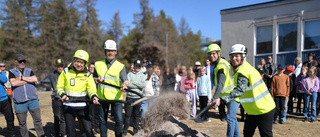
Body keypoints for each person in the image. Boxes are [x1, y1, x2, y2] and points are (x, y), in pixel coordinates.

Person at [213, 44, 275, 137]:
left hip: (264, 109)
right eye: (232, 56)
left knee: (266, 135)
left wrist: (221, 99)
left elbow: (239, 90)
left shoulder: (243, 71)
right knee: (247, 134)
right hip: (253, 110)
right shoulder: (240, 69)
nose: (234, 58)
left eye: (237, 56)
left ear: (243, 56)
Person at [56, 50, 99, 137]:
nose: (79, 64)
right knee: (70, 133)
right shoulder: (65, 72)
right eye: (77, 61)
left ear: (85, 63)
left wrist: (94, 96)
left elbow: (91, 89)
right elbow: (59, 87)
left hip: (82, 106)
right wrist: (63, 95)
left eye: (81, 62)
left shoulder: (88, 74)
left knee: (89, 131)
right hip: (68, 106)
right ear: (74, 60)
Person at [93, 40, 129, 137]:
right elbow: (93, 78)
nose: (110, 52)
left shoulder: (120, 66)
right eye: (108, 50)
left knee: (119, 120)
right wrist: (96, 79)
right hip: (102, 97)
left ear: (115, 52)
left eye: (112, 51)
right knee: (102, 120)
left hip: (116, 97)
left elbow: (125, 79)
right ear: (105, 51)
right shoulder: (98, 64)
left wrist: (125, 85)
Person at [9, 54, 45, 137]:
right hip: (19, 102)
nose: (22, 62)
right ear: (15, 62)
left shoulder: (29, 70)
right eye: (20, 61)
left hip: (33, 100)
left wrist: (21, 78)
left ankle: (41, 135)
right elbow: (13, 83)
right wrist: (28, 80)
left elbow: (35, 79)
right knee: (22, 123)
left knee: (38, 120)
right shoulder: (11, 72)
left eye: (23, 61)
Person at [208, 43, 239, 137]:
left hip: (232, 94)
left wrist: (214, 99)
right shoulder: (218, 65)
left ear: (219, 54)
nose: (211, 55)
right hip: (227, 95)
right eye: (210, 54)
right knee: (233, 118)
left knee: (230, 118)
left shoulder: (221, 66)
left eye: (213, 53)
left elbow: (221, 84)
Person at [40, 58, 66, 137]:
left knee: (64, 118)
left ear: (63, 66)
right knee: (57, 117)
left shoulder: (66, 73)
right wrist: (50, 86)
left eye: (61, 66)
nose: (60, 68)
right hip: (56, 99)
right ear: (55, 66)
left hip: (65, 98)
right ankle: (57, 133)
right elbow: (43, 81)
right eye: (58, 66)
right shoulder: (52, 74)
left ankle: (63, 133)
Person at [123, 59, 146, 136]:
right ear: (134, 66)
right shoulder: (129, 74)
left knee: (136, 115)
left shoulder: (143, 75)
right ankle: (125, 130)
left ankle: (135, 131)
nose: (138, 67)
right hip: (129, 97)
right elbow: (128, 84)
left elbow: (143, 85)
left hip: (138, 97)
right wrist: (136, 84)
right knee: (127, 115)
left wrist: (133, 83)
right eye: (136, 66)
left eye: (139, 66)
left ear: (140, 67)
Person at [0, 64, 15, 137]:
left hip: (4, 99)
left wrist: (0, 73)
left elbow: (4, 80)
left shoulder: (1, 72)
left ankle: (11, 133)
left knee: (10, 117)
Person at [88, 63, 100, 135]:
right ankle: (92, 128)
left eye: (93, 67)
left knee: (97, 113)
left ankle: (97, 126)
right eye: (90, 67)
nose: (92, 69)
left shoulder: (98, 76)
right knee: (91, 114)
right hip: (90, 98)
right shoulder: (87, 76)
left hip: (98, 97)